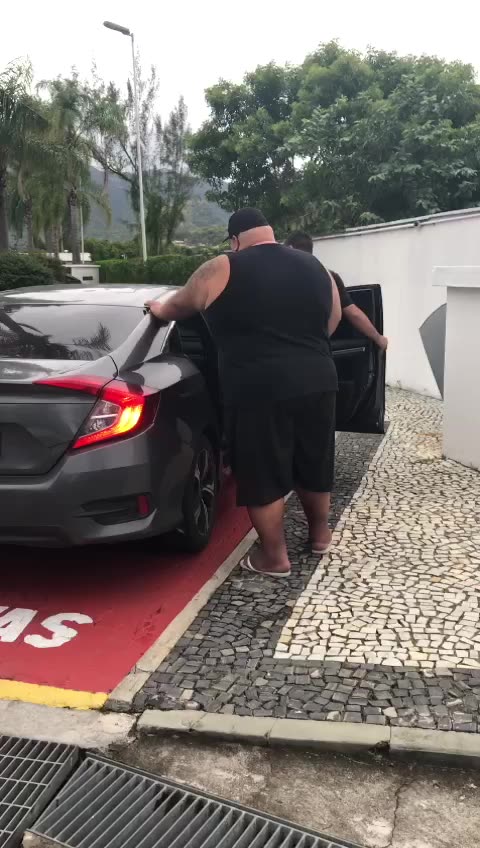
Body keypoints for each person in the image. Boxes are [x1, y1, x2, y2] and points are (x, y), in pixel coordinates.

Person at [146, 208, 341, 577]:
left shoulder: (222, 267)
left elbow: (178, 306)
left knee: (262, 472)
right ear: (271, 233)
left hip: (257, 387)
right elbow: (332, 321)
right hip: (318, 379)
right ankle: (320, 536)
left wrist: (158, 308)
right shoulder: (317, 268)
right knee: (314, 461)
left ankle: (274, 558)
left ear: (235, 240)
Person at [284, 231, 388, 351]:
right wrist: (378, 338)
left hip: (288, 347)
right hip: (317, 347)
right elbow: (352, 313)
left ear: (290, 248)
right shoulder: (329, 276)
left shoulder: (281, 278)